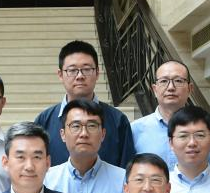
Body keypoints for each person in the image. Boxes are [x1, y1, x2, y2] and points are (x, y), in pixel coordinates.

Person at [33, 40, 135, 168]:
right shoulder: (44, 121)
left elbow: (127, 171)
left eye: (86, 69)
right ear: (60, 75)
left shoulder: (118, 120)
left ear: (97, 73)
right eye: (72, 70)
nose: (80, 76)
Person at [130, 61, 210, 170]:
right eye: (164, 81)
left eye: (178, 81)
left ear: (190, 89)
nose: (171, 87)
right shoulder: (134, 129)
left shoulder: (204, 130)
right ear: (155, 90)